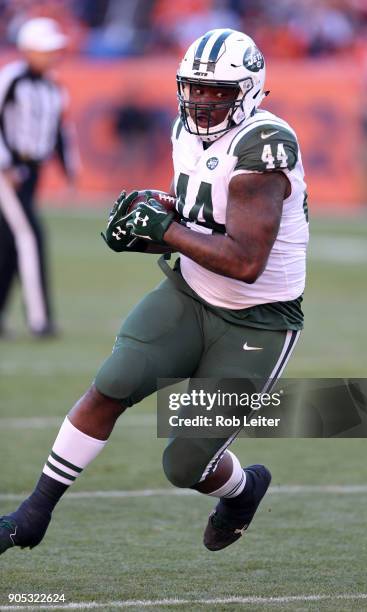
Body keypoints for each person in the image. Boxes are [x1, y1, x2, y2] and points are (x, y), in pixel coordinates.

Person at [0, 28, 308, 554]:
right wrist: (150, 232)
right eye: (195, 88)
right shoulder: (184, 131)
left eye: (220, 91)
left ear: (251, 90)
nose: (203, 100)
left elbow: (245, 260)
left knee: (185, 464)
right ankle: (31, 514)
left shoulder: (264, 143)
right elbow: (196, 222)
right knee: (112, 382)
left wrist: (163, 230)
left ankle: (242, 490)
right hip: (190, 294)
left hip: (257, 317)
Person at [0, 17, 78, 338]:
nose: (51, 55)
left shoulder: (54, 86)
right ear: (27, 49)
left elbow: (60, 131)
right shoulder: (11, 79)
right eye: (44, 50)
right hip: (7, 174)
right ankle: (40, 319)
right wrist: (6, 165)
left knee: (7, 244)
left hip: (31, 172)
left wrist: (69, 170)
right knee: (30, 237)